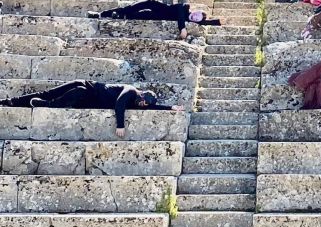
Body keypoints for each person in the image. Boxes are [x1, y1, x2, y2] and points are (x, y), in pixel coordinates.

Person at [0, 80, 184, 138]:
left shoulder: (140, 103)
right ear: (141, 94)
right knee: (50, 93)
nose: (141, 105)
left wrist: (170, 108)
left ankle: (45, 104)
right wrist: (120, 125)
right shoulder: (130, 91)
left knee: (72, 98)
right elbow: (119, 103)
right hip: (87, 88)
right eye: (143, 101)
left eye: (144, 105)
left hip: (86, 100)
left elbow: (153, 108)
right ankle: (11, 102)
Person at [87, 0, 220, 39]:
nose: (194, 16)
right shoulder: (185, 7)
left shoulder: (189, 19)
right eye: (196, 14)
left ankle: (116, 16)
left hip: (156, 16)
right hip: (156, 6)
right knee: (130, 8)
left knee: (133, 16)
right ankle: (101, 14)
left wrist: (219, 22)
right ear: (195, 10)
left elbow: (209, 22)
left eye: (197, 19)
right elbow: (180, 15)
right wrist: (182, 28)